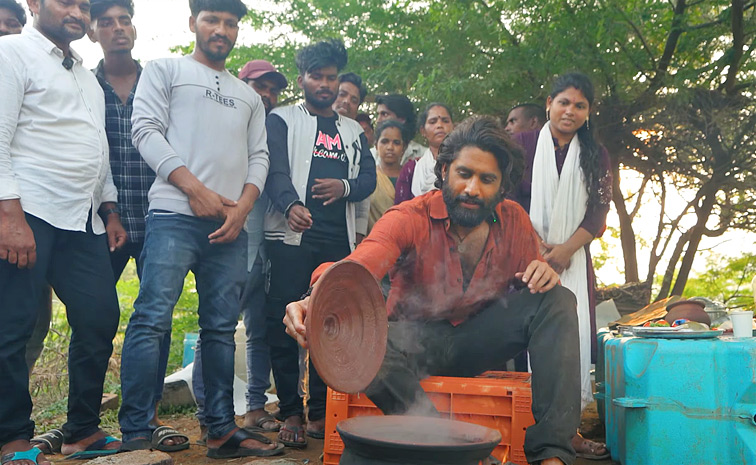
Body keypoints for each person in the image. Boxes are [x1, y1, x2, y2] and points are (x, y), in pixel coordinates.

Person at [284, 116, 581, 465]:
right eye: (464, 174)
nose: (473, 189)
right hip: (410, 346)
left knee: (559, 299)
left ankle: (553, 457)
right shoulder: (408, 217)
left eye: (487, 180)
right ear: (443, 172)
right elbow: (359, 266)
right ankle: (456, 450)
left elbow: (538, 288)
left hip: (478, 343)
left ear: (502, 187)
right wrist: (311, 300)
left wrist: (543, 273)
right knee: (357, 339)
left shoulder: (513, 219)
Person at [118, 0, 283, 458]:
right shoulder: (165, 69)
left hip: (230, 225)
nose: (222, 29)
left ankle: (220, 430)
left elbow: (260, 157)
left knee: (219, 329)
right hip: (173, 212)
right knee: (152, 317)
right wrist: (194, 190)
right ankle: (136, 430)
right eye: (213, 20)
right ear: (193, 23)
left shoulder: (248, 96)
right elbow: (145, 129)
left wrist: (242, 208)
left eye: (231, 23)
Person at [0, 0, 127, 462]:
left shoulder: (84, 74)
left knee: (99, 316)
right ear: (34, 4)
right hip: (28, 211)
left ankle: (82, 431)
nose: (77, 11)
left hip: (82, 218)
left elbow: (99, 147)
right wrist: (9, 217)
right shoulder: (12, 53)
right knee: (12, 325)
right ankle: (12, 437)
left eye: (83, 5)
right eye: (65, 2)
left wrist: (109, 209)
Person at [263, 38, 376, 448]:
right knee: (285, 325)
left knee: (331, 325)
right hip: (291, 238)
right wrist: (290, 203)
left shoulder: (351, 130)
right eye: (317, 77)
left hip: (337, 243)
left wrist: (343, 185)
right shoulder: (281, 119)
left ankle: (322, 412)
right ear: (302, 79)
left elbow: (368, 180)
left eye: (332, 78)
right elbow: (273, 168)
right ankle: (290, 410)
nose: (325, 85)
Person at [511, 72, 612, 461]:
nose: (570, 111)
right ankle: (525, 428)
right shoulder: (520, 145)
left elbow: (598, 212)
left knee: (572, 343)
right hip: (522, 259)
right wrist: (535, 248)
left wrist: (566, 250)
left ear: (588, 112)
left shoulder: (595, 154)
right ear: (549, 102)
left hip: (572, 259)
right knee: (525, 341)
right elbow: (506, 199)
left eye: (580, 105)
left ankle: (566, 432)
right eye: (564, 102)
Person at [192, 59, 289, 440]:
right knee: (217, 326)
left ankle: (253, 407)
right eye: (259, 86)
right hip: (230, 239)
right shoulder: (227, 120)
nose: (266, 95)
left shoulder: (274, 130)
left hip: (265, 247)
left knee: (260, 328)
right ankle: (206, 412)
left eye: (272, 89)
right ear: (241, 85)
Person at [394, 102, 454, 204]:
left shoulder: (465, 165)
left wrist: (492, 221)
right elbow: (400, 211)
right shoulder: (411, 170)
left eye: (445, 121)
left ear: (454, 127)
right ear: (423, 131)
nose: (439, 125)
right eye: (433, 121)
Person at [367, 120, 408, 233]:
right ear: (376, 146)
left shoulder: (411, 176)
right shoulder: (369, 176)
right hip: (373, 241)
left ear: (403, 148)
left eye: (396, 142)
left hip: (407, 243)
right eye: (385, 142)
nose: (390, 147)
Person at [375, 93, 425, 164]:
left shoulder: (423, 155)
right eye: (378, 114)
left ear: (402, 118)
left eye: (385, 114)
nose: (378, 120)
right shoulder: (371, 155)